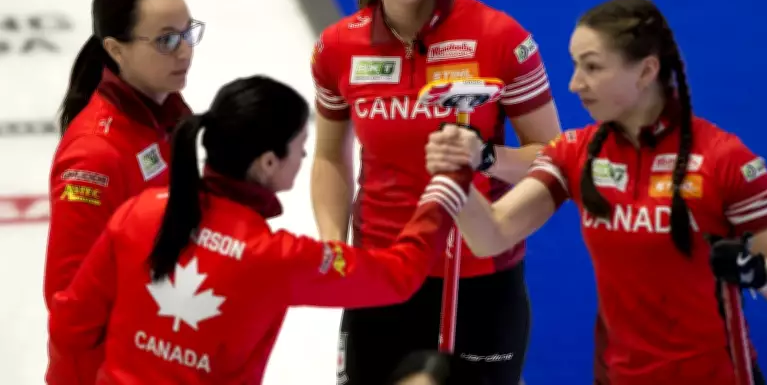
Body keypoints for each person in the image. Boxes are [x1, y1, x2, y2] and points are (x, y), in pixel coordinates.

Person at [424, 0, 767, 385]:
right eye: (574, 66)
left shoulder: (725, 159)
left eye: (592, 67)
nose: (574, 84)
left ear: (645, 71)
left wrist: (761, 273)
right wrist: (457, 174)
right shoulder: (575, 152)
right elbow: (491, 235)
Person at [47, 75, 473, 385]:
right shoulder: (277, 258)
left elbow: (71, 324)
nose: (307, 151)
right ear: (268, 162)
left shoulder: (139, 213)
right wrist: (447, 186)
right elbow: (399, 274)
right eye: (299, 142)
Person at [310, 0, 562, 385]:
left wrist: (486, 158)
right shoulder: (338, 48)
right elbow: (329, 157)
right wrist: (334, 245)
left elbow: (554, 158)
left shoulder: (500, 38)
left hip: (482, 285)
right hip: (380, 274)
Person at [45, 0, 199, 383]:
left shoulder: (168, 115)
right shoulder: (95, 155)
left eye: (188, 34)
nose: (185, 52)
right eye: (167, 40)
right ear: (116, 49)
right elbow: (68, 301)